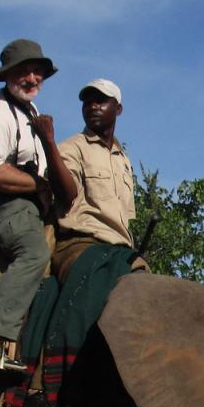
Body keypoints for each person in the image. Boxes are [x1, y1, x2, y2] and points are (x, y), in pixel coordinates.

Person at [0, 39, 76, 371]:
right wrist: (39, 185)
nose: (32, 78)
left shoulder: (32, 113)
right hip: (2, 204)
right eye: (24, 71)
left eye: (37, 72)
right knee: (35, 253)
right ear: (8, 76)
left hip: (30, 207)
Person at [52, 78, 143, 278]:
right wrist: (48, 142)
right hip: (81, 244)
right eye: (87, 103)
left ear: (118, 109)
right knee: (95, 284)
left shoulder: (124, 160)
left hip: (122, 249)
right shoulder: (71, 147)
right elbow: (64, 194)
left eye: (100, 101)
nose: (92, 106)